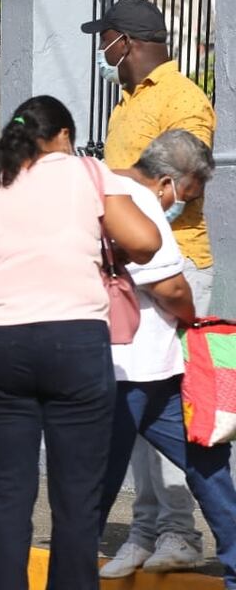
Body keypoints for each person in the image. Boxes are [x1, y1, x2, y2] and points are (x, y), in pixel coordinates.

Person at [0, 95, 161, 590]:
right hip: (74, 343)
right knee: (77, 502)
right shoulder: (89, 173)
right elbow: (145, 241)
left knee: (7, 501)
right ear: (62, 137)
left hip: (0, 347)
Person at [83, 0, 217, 577]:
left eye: (104, 39)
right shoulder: (126, 103)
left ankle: (180, 532)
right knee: (131, 407)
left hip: (175, 268)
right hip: (127, 271)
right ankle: (145, 529)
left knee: (166, 408)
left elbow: (182, 183)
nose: (102, 51)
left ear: (125, 40)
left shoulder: (182, 98)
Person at [101, 130, 236, 590]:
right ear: (166, 182)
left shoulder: (108, 188)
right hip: (127, 370)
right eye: (187, 195)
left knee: (208, 460)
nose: (182, 206)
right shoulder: (137, 203)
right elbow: (171, 287)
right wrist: (192, 318)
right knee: (102, 482)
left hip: (152, 369)